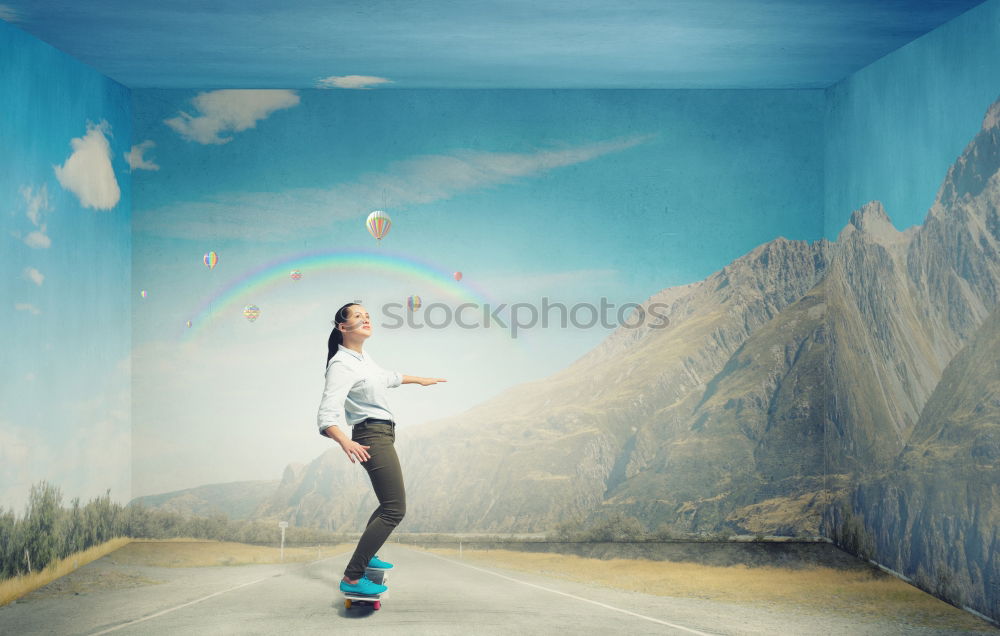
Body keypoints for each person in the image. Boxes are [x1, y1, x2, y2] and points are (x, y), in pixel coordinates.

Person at [317, 302, 446, 596]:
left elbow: (388, 377)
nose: (366, 319)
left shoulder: (363, 359)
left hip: (383, 433)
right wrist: (344, 441)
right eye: (358, 316)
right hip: (370, 435)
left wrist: (420, 380)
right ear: (342, 327)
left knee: (387, 503)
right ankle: (352, 577)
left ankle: (369, 553)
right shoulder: (341, 364)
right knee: (395, 508)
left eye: (368, 315)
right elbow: (326, 415)